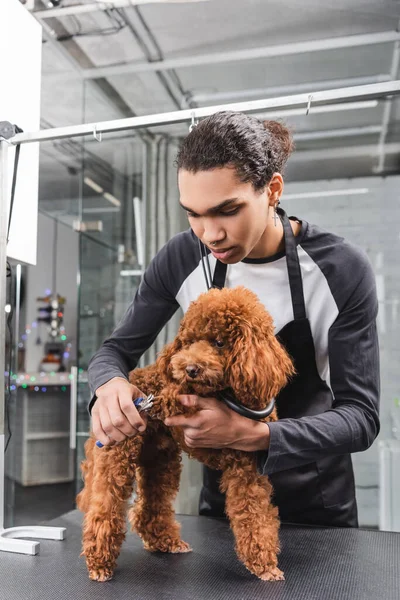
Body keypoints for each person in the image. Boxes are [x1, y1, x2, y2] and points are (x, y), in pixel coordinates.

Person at [87, 111, 380, 528]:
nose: (209, 234)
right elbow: (115, 351)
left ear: (272, 190)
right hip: (223, 505)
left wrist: (254, 435)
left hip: (319, 506)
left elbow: (361, 418)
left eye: (227, 210)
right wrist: (108, 384)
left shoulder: (340, 269)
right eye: (193, 213)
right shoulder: (182, 256)